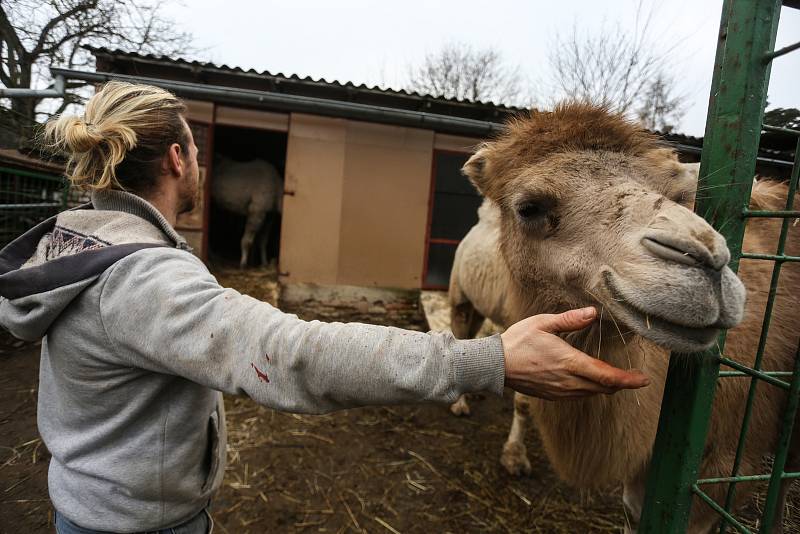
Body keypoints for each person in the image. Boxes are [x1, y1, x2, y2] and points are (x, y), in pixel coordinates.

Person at [0, 82, 649, 534]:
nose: (200, 161)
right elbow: (289, 359)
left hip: (91, 502)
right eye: (196, 149)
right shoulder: (144, 282)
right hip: (137, 524)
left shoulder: (77, 241)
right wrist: (489, 360)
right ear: (177, 157)